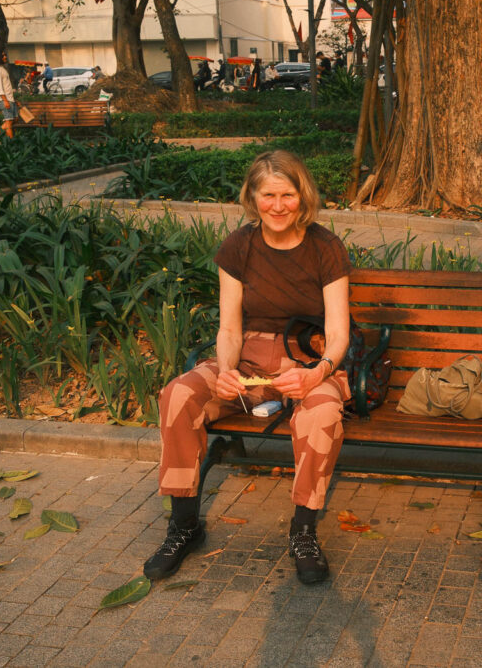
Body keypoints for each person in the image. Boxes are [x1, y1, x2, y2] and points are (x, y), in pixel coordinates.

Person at [144, 150, 352, 586]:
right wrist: (225, 370)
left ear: (303, 195)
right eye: (268, 195)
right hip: (247, 359)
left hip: (307, 361)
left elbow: (339, 334)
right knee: (178, 394)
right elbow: (229, 328)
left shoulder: (326, 248)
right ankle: (184, 525)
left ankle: (303, 531)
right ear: (252, 197)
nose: (278, 206)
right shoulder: (238, 246)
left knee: (321, 413)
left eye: (288, 195)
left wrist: (317, 373)